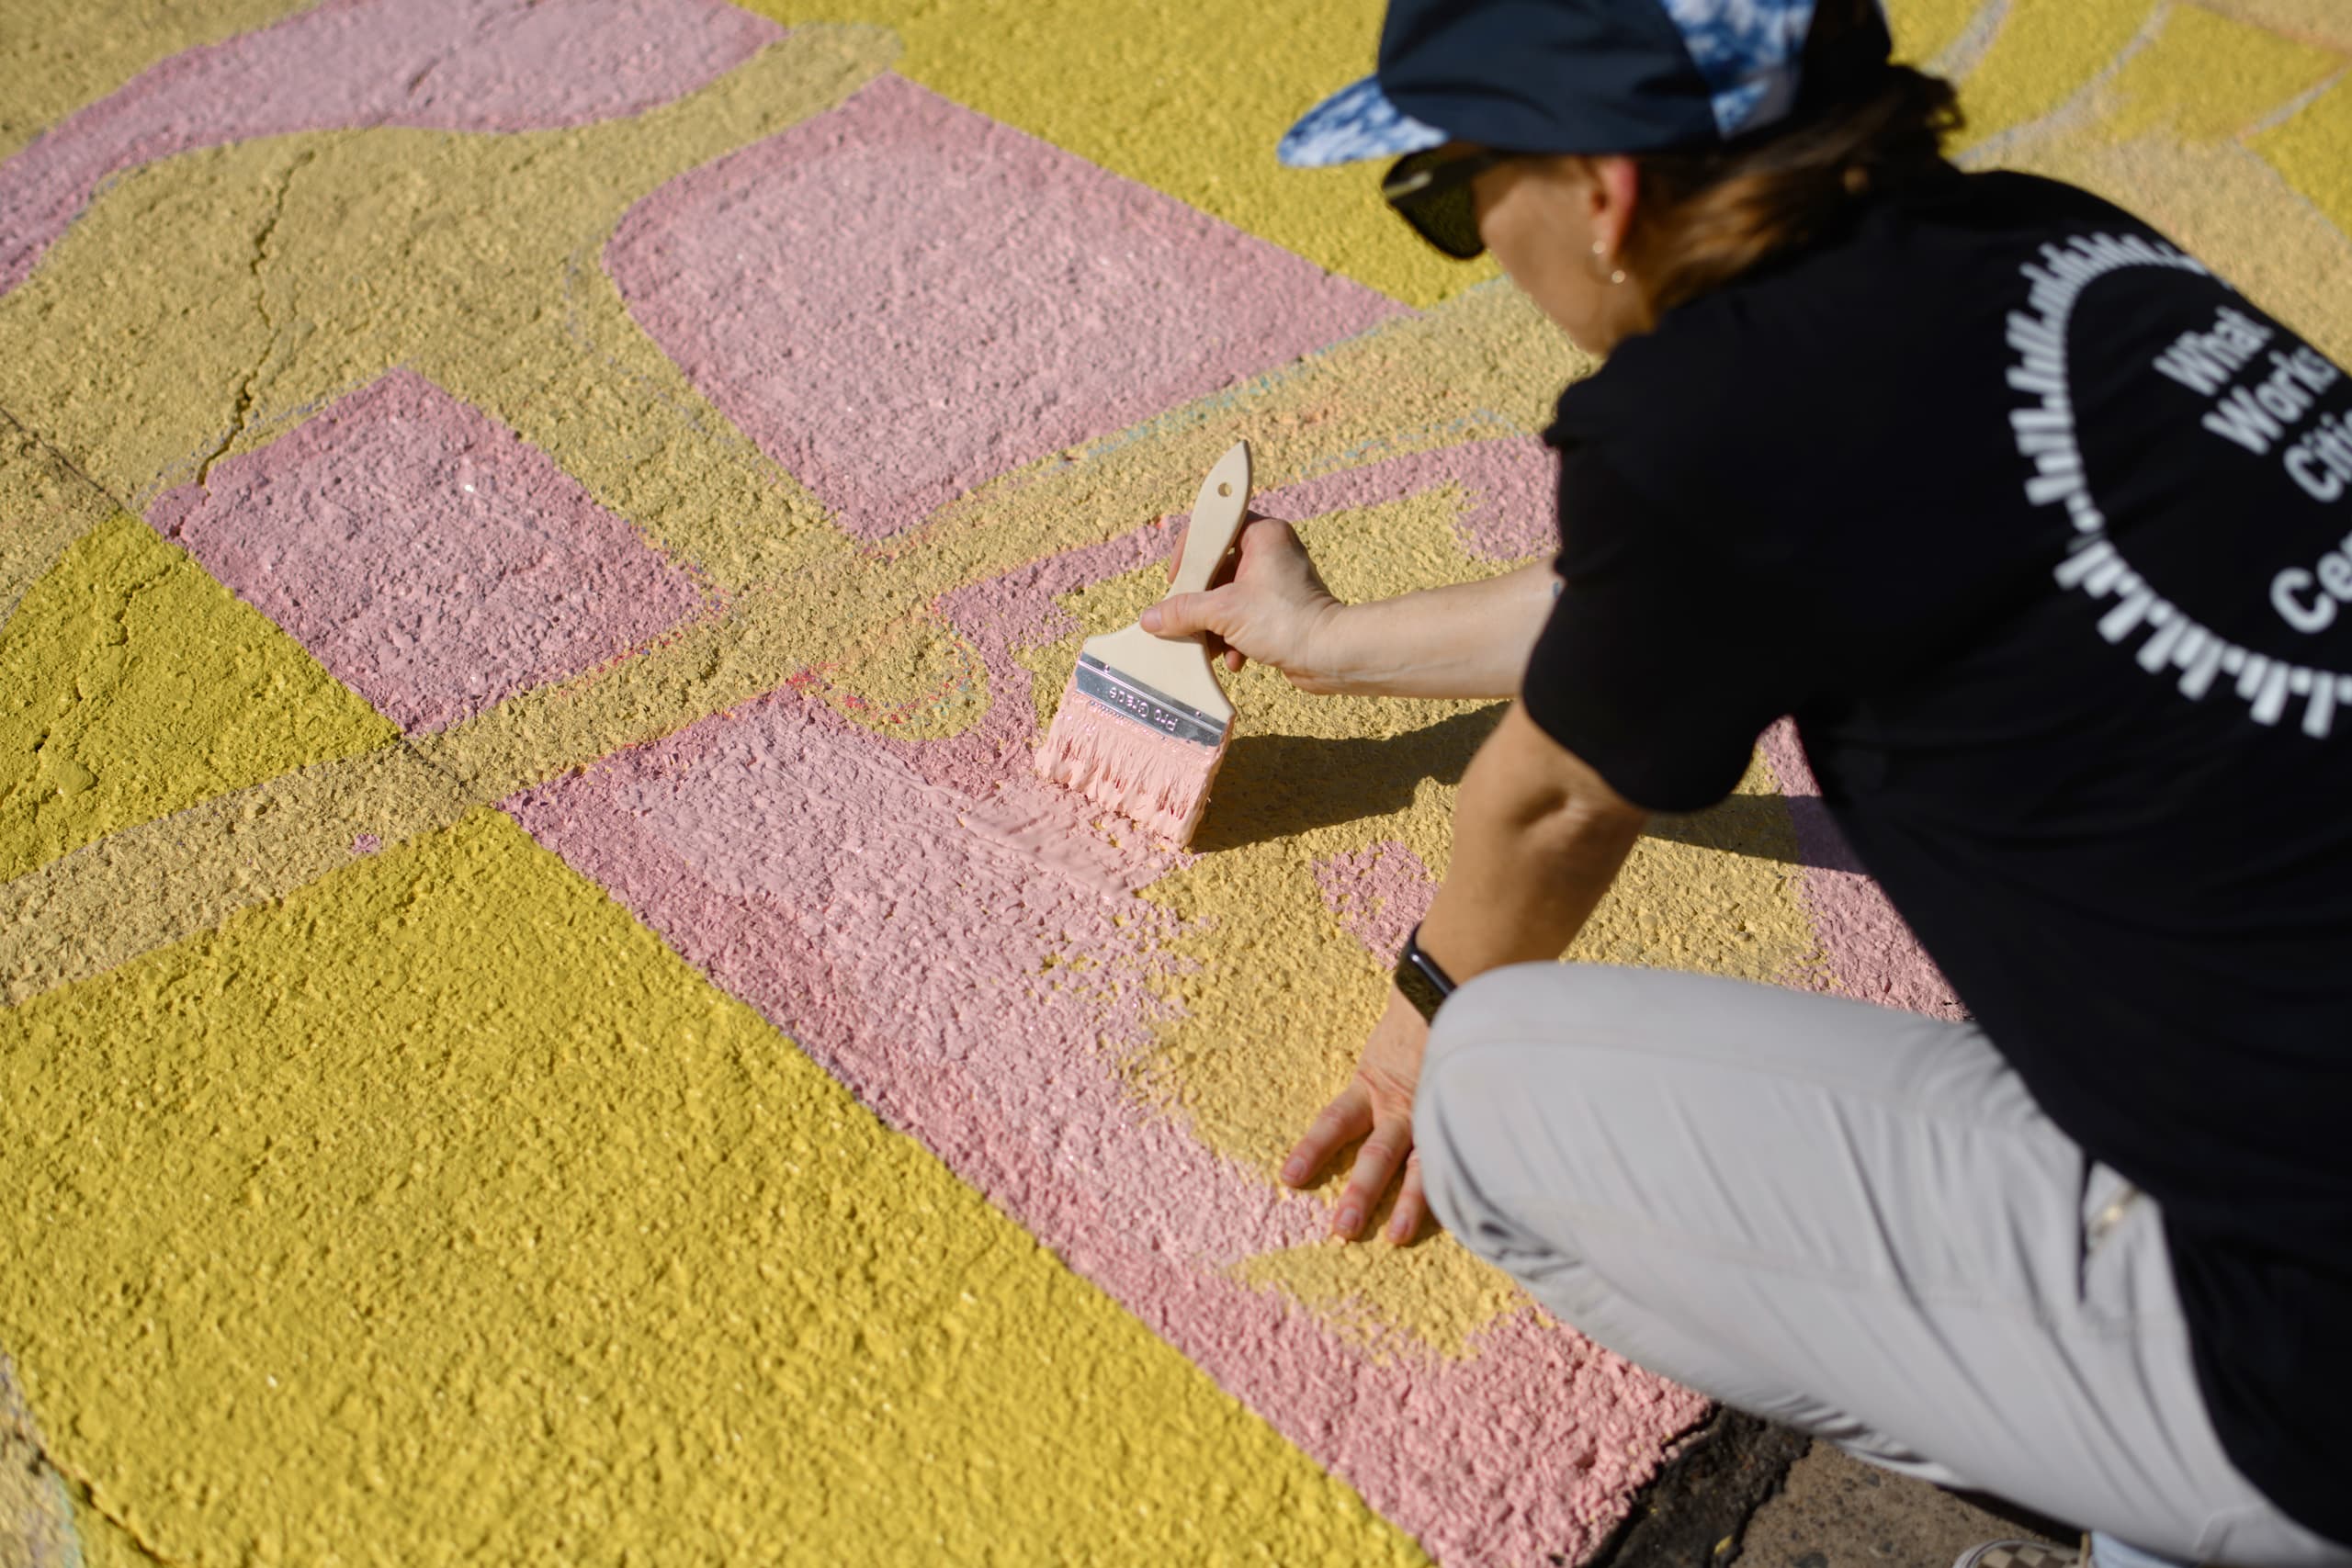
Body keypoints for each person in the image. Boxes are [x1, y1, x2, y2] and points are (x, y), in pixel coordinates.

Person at [1135, 1, 2352, 1563]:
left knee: (1499, 1089)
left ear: (1602, 187)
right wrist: (1326, 641)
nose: (1480, 239)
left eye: (1447, 193)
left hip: (2314, 1359)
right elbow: (1700, 591)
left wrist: (1413, 1029)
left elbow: (1558, 797)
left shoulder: (1709, 422)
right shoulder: (2047, 248)